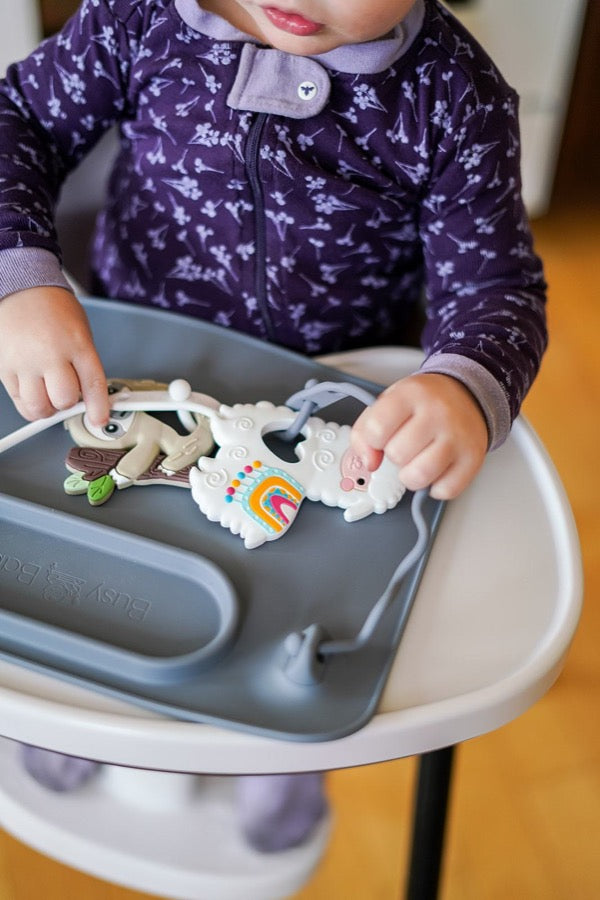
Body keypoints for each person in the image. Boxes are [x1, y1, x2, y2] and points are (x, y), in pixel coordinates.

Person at [0, 0, 547, 852]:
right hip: (131, 385)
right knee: (105, 574)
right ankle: (95, 711)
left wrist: (463, 389)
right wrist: (20, 275)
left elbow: (496, 291)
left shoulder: (454, 97)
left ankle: (278, 748)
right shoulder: (138, 17)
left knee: (295, 607)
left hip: (331, 423)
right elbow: (18, 120)